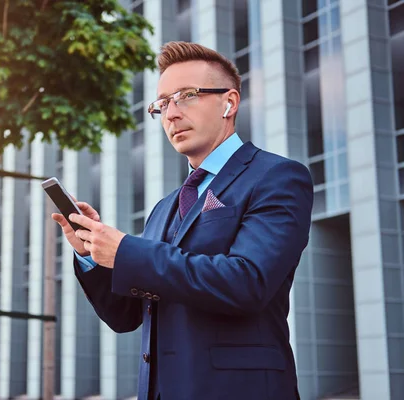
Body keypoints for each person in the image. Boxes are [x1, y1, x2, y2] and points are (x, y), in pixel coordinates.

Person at [52, 41, 312, 400]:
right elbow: (126, 317)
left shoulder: (277, 177)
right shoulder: (163, 208)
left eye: (186, 95)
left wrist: (127, 251)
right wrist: (94, 257)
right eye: (161, 104)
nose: (170, 114)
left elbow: (247, 282)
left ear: (229, 103)